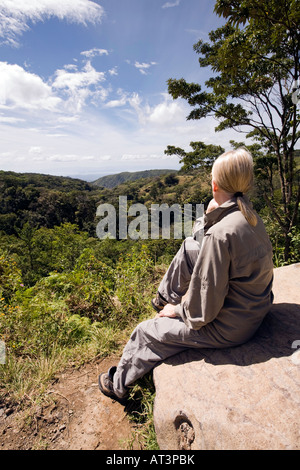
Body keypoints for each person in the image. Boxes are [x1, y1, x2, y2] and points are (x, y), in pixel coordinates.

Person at [98, 148, 274, 403]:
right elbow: (203, 244)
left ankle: (117, 385)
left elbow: (204, 312)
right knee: (189, 247)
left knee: (145, 331)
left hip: (231, 327)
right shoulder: (248, 215)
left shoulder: (221, 234)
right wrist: (209, 216)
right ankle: (161, 301)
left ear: (215, 185)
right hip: (253, 308)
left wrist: (179, 310)